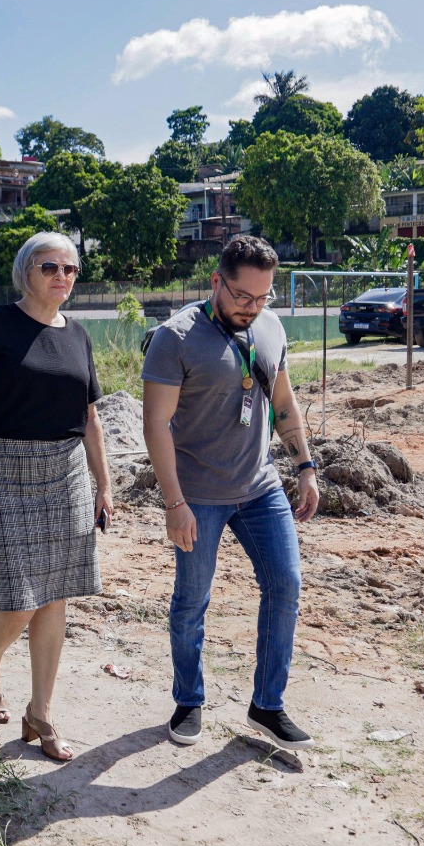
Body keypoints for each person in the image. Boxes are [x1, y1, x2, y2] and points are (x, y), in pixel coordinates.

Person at [141, 234, 321, 752]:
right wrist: (174, 503)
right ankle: (189, 700)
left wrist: (305, 466)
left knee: (285, 584)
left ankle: (267, 705)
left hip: (260, 487)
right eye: (243, 297)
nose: (253, 308)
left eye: (263, 297)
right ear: (216, 281)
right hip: (197, 493)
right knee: (192, 601)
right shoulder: (176, 338)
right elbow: (155, 424)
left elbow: (283, 400)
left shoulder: (269, 325)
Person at [0, 236, 109, 762]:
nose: (62, 275)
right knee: (18, 596)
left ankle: (41, 713)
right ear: (26, 271)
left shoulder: (78, 336)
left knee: (56, 594)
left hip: (64, 476)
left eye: (71, 268)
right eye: (50, 266)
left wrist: (103, 484)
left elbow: (90, 420)